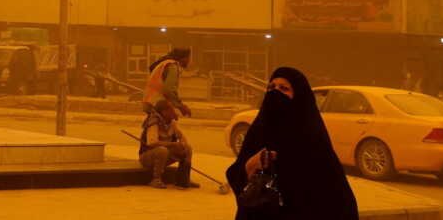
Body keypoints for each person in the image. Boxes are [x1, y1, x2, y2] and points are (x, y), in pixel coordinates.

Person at [226, 67, 358, 219]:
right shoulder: (258, 131)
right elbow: (236, 173)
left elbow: (335, 194)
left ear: (299, 96)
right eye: (271, 87)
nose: (275, 93)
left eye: (284, 88)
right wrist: (249, 166)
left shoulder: (311, 136)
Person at [139, 98, 198, 189]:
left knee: (187, 149)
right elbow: (152, 142)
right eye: (170, 109)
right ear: (164, 112)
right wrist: (173, 144)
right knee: (162, 150)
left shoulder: (171, 123)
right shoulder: (153, 122)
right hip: (147, 157)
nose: (173, 111)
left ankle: (183, 180)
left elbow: (181, 136)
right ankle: (156, 179)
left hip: (164, 155)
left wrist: (183, 144)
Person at [143, 47, 193, 118]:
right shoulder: (172, 66)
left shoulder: (166, 64)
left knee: (166, 126)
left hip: (151, 102)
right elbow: (168, 90)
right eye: (189, 58)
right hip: (158, 104)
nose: (189, 61)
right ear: (183, 58)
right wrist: (181, 106)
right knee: (164, 126)